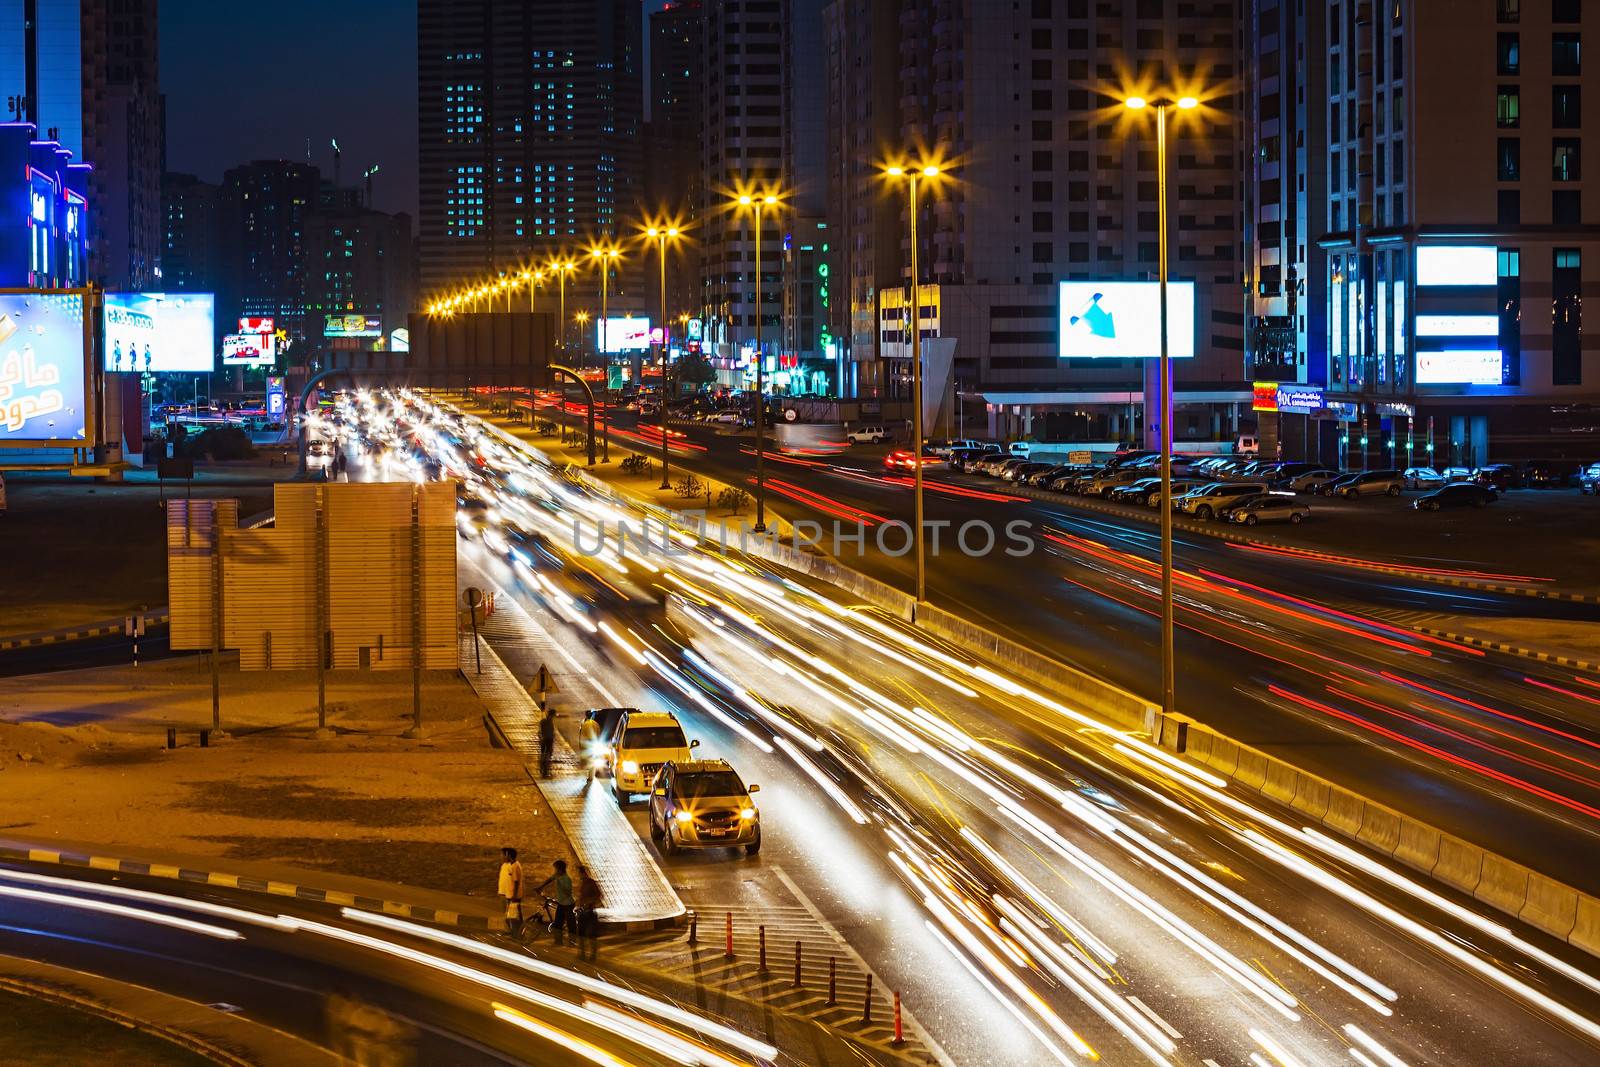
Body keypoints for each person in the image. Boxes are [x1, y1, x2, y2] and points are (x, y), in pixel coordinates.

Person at [538, 859, 575, 944]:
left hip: (568, 904)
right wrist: (541, 887)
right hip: (561, 903)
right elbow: (550, 879)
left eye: (556, 869)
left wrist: (560, 884)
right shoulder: (557, 875)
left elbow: (568, 892)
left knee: (570, 924)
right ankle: (558, 942)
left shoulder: (566, 879)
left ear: (560, 869)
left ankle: (572, 941)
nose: (555, 871)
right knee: (558, 923)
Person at [575, 864, 603, 959]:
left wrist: (588, 903)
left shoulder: (591, 883)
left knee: (591, 935)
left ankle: (592, 955)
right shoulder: (582, 883)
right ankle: (582, 954)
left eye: (579, 873)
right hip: (583, 911)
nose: (578, 876)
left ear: (583, 873)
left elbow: (598, 895)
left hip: (589, 911)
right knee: (581, 933)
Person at [497, 847, 524, 934]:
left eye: (502, 855)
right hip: (505, 894)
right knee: (508, 916)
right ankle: (510, 931)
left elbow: (516, 882)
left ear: (508, 855)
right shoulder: (505, 865)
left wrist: (514, 896)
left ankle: (518, 933)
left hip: (512, 896)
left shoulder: (515, 866)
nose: (501, 857)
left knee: (515, 916)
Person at [578, 710, 601, 778]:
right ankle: (591, 776)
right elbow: (599, 734)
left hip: (586, 746)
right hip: (594, 745)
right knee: (592, 760)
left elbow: (581, 736)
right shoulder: (595, 724)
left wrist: (581, 746)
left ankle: (589, 776)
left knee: (587, 761)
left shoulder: (584, 724)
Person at [538, 706, 556, 779]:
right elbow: (550, 732)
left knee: (543, 754)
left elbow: (540, 731)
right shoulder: (549, 721)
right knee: (548, 754)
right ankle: (545, 771)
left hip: (544, 739)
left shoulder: (543, 721)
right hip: (548, 740)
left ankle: (542, 769)